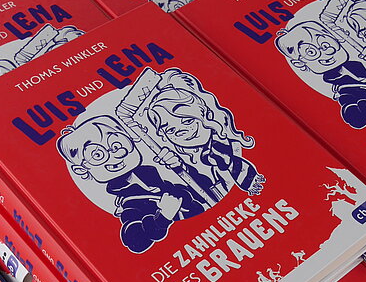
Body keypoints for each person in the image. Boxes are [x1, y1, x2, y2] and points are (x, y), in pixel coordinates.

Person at [58, 115, 205, 253]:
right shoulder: (130, 203)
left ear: (130, 139)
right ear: (81, 170)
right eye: (97, 155)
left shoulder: (156, 180)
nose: (114, 156)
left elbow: (204, 195)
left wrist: (181, 168)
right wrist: (163, 217)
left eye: (116, 145)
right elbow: (135, 241)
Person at [146, 84, 264, 204]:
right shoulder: (209, 162)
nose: (181, 131)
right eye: (170, 130)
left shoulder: (234, 147)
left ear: (207, 114)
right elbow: (211, 199)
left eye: (188, 121)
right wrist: (181, 168)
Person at [275, 20, 366, 128]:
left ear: (336, 39)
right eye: (311, 52)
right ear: (299, 64)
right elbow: (356, 119)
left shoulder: (361, 69)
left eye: (325, 44)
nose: (326, 53)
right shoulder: (344, 90)